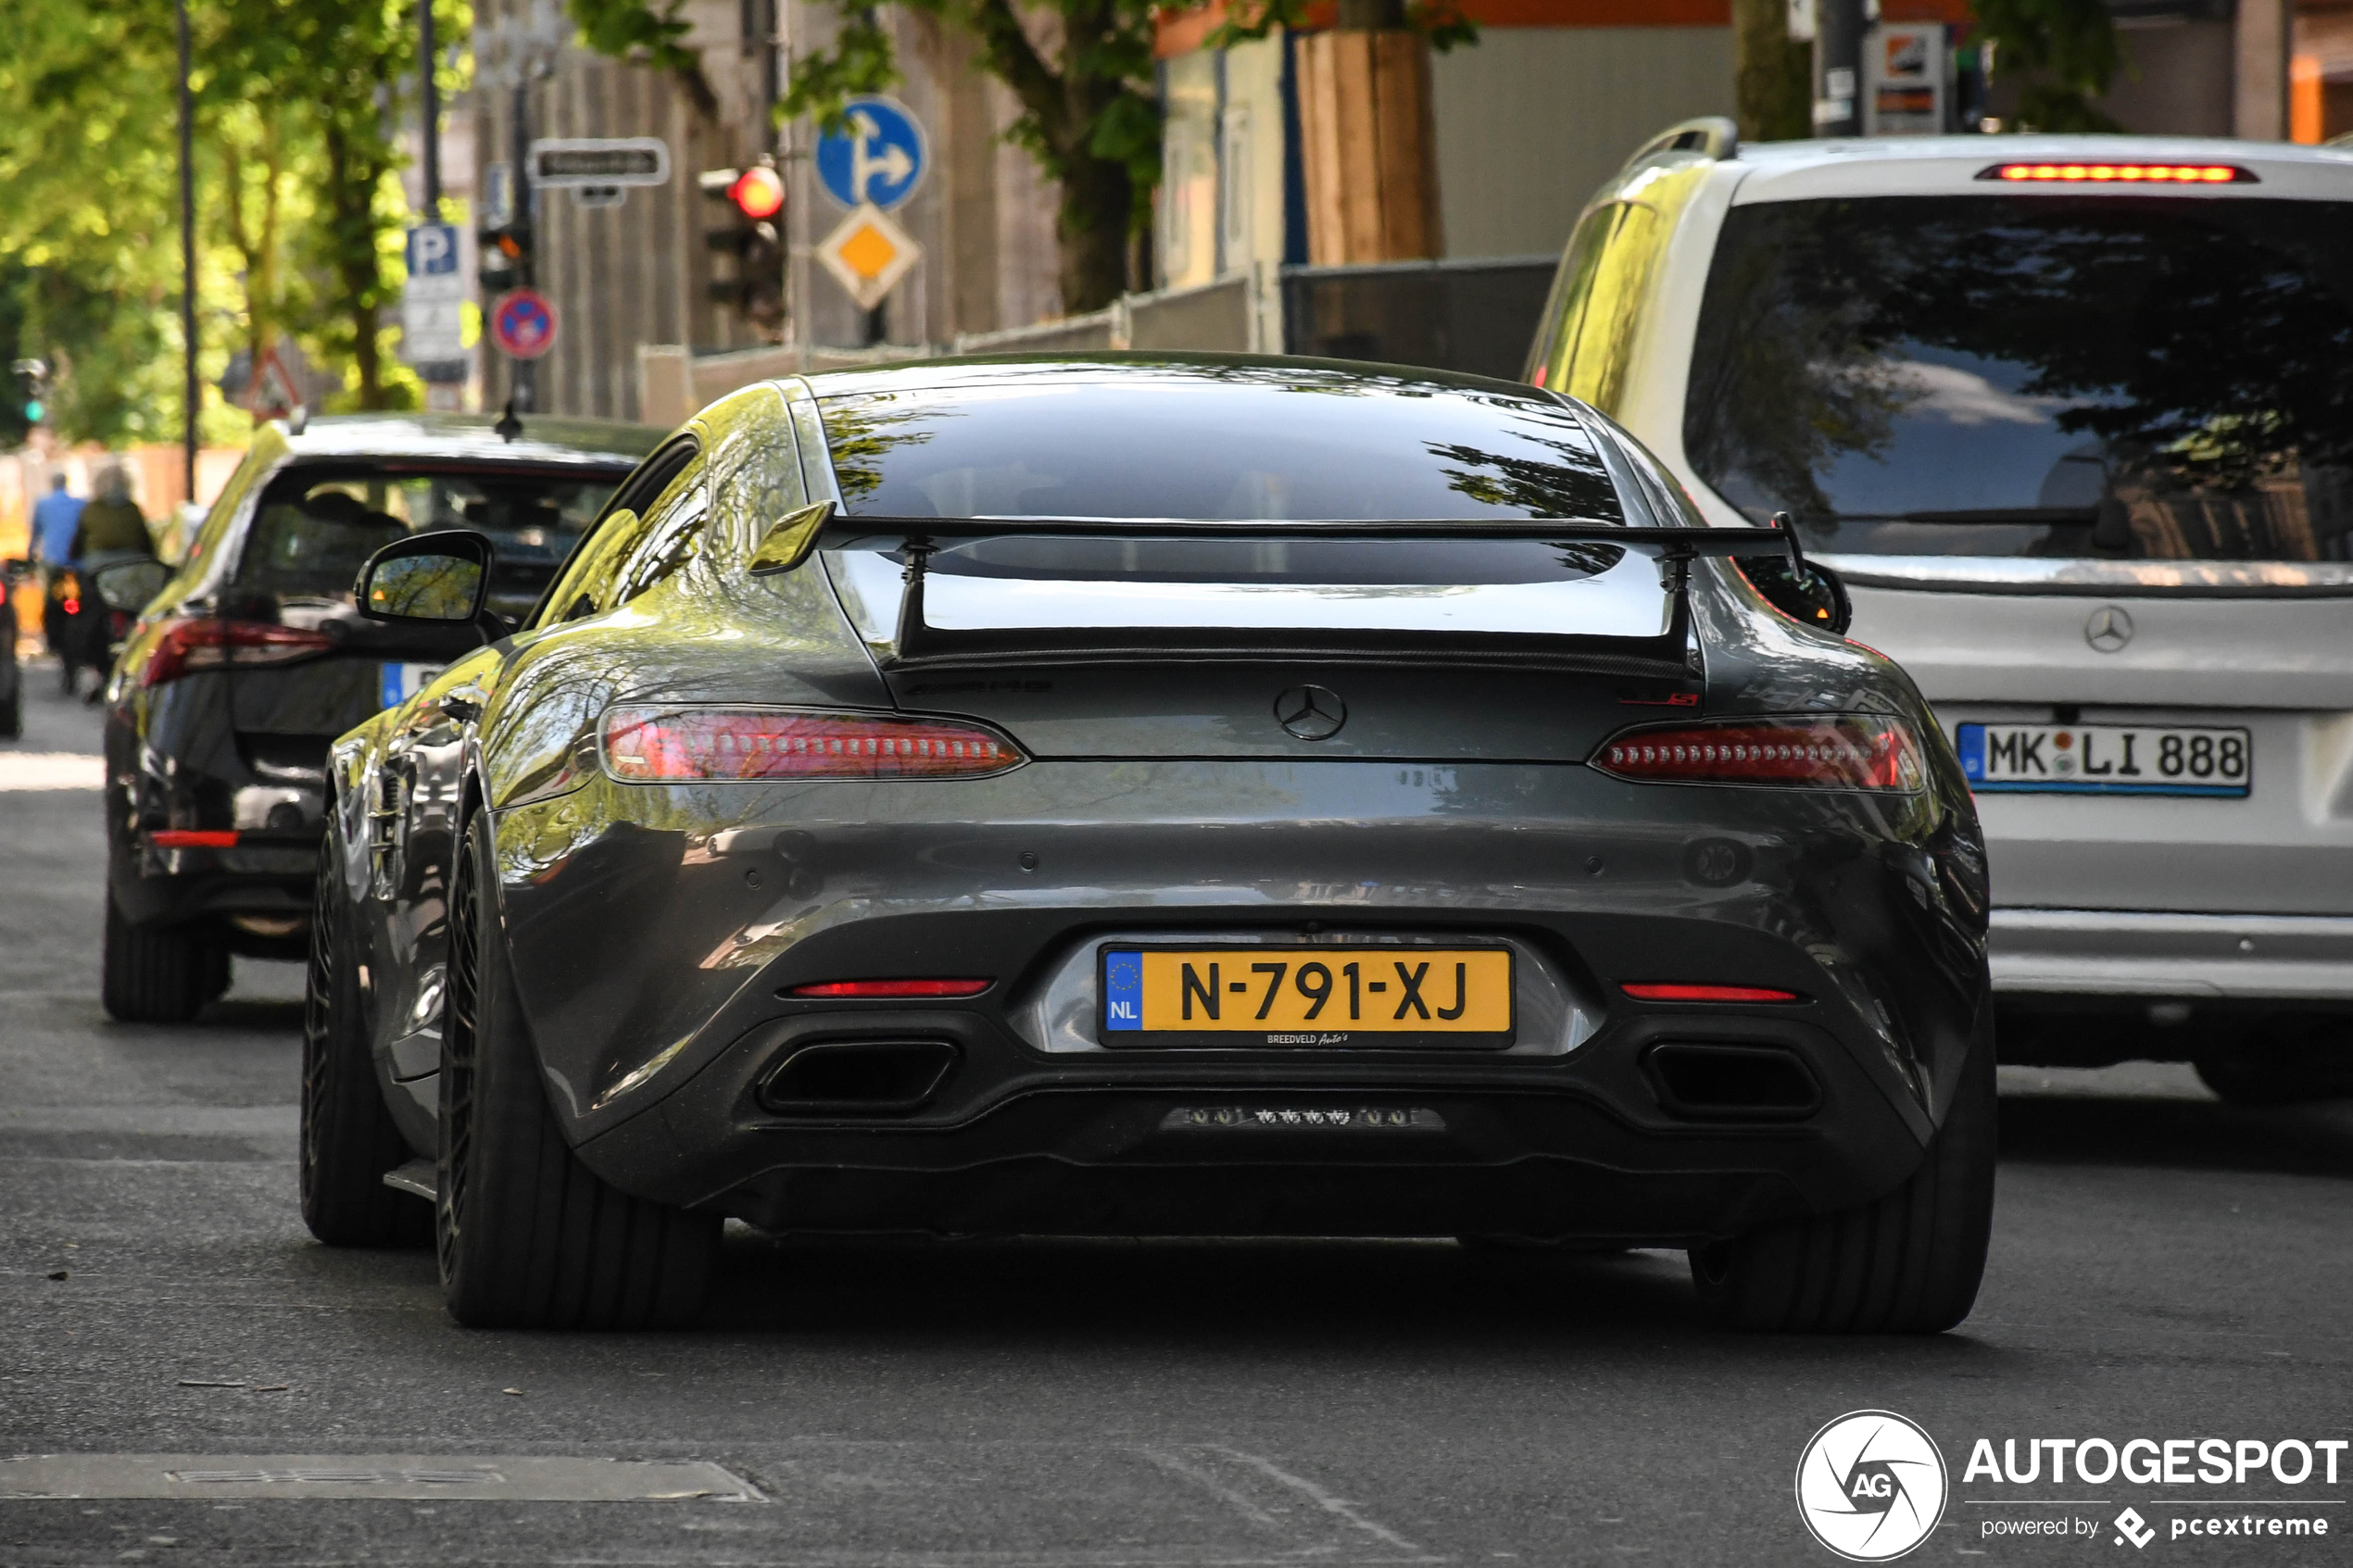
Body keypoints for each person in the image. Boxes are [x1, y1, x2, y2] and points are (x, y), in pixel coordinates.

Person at [71, 468, 152, 559]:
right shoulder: (132, 509)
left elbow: (76, 545)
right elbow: (146, 543)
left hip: (99, 563)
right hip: (132, 561)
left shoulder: (91, 510)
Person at [29, 473, 83, 568]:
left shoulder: (43, 505)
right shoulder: (79, 503)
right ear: (66, 483)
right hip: (77, 559)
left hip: (52, 559)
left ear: (52, 484)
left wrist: (30, 553)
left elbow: (36, 533)